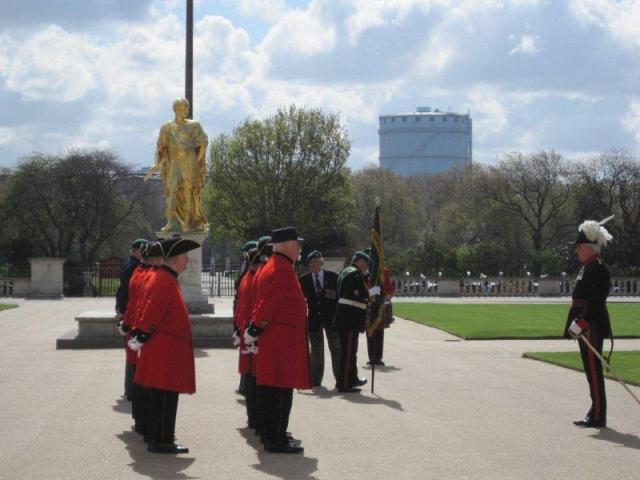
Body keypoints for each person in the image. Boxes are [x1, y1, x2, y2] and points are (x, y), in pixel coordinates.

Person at [128, 236, 200, 454]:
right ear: (176, 258)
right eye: (185, 255)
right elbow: (153, 310)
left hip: (165, 347)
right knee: (165, 396)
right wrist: (141, 333)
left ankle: (160, 437)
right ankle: (161, 440)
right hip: (165, 349)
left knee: (164, 395)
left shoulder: (167, 277)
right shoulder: (164, 279)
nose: (188, 259)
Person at [244, 227, 311, 454]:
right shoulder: (281, 269)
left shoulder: (277, 266)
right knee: (279, 390)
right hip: (281, 340)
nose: (299, 248)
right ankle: (276, 438)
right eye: (296, 243)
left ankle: (275, 434)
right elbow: (269, 303)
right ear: (285, 245)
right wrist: (255, 327)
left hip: (279, 338)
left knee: (276, 390)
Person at [563, 218, 613, 429]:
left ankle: (598, 415)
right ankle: (595, 410)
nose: (577, 252)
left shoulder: (598, 268)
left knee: (594, 371)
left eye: (579, 248)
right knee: (589, 371)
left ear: (589, 248)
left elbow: (596, 301)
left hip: (590, 325)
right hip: (584, 324)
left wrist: (582, 322)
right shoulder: (589, 267)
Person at [147, 98, 209, 232]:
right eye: (183, 108)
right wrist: (156, 164)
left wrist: (197, 161)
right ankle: (170, 221)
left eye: (187, 108)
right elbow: (160, 148)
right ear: (175, 109)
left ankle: (186, 223)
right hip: (173, 164)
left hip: (190, 162)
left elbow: (204, 142)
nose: (186, 111)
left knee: (188, 192)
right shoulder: (167, 127)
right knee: (172, 191)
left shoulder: (194, 125)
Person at [332, 251, 374, 393]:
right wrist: (375, 291)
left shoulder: (347, 271)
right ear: (361, 261)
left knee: (351, 351)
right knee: (348, 352)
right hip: (349, 319)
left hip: (348, 318)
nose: (367, 267)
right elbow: (361, 295)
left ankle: (352, 378)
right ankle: (343, 383)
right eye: (366, 264)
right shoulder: (354, 275)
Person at [299, 250, 340, 387]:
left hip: (331, 319)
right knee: (316, 350)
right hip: (314, 319)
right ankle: (315, 380)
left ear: (322, 263)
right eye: (310, 262)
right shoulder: (303, 280)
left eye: (315, 261)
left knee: (336, 349)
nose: (313, 264)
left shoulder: (333, 277)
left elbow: (339, 298)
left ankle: (340, 379)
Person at [115, 238, 149, 400]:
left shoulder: (128, 264)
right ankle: (132, 389)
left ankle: (131, 388)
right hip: (132, 315)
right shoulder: (135, 267)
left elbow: (121, 290)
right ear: (138, 250)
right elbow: (131, 293)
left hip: (127, 312)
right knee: (133, 356)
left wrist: (119, 308)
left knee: (131, 355)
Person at [366, 266, 395, 367]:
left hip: (379, 305)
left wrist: (383, 295)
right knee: (369, 331)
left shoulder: (383, 270)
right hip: (369, 304)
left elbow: (388, 288)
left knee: (379, 331)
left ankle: (377, 357)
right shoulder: (366, 271)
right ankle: (371, 357)